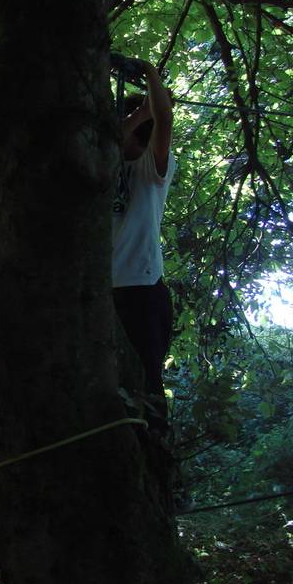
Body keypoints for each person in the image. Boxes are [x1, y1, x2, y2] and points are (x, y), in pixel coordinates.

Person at [112, 59, 175, 435]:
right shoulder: (104, 162)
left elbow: (163, 125)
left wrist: (151, 74)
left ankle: (155, 451)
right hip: (102, 292)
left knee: (146, 382)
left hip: (141, 290)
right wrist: (139, 112)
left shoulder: (152, 170)